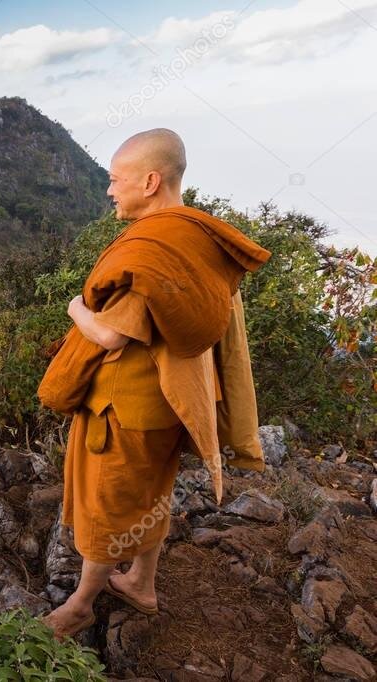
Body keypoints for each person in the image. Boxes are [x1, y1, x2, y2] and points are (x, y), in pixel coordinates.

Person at [37, 128, 272, 640]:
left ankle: (80, 605)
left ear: (149, 180)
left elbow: (111, 335)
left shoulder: (154, 250)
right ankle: (141, 582)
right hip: (173, 399)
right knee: (153, 494)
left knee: (108, 505)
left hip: (125, 408)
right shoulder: (196, 236)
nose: (109, 190)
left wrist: (75, 307)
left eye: (115, 180)